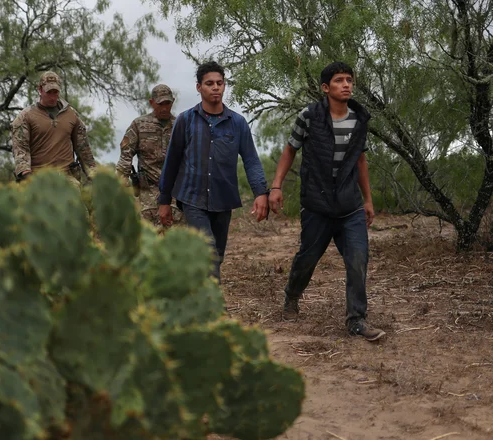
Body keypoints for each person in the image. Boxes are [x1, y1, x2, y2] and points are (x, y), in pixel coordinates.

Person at [268, 61, 385, 342]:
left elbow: (360, 160)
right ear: (325, 88)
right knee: (307, 258)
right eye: (339, 80)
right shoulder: (309, 116)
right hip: (317, 206)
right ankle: (292, 297)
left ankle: (356, 320)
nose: (346, 85)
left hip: (350, 207)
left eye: (349, 80)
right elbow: (290, 150)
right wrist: (276, 186)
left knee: (358, 259)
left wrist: (367, 200)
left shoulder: (359, 119)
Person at [158, 61, 269, 283]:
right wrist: (164, 200)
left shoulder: (237, 123)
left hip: (223, 198)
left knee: (216, 256)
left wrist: (260, 192)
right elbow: (171, 162)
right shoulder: (186, 120)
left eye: (219, 83)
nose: (215, 87)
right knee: (207, 250)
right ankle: (215, 310)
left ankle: (196, 295)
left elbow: (251, 160)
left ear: (224, 85)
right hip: (192, 197)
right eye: (209, 83)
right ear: (199, 88)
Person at [10, 71, 96, 184]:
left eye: (55, 92)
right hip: (39, 178)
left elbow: (83, 148)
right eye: (49, 92)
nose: (52, 96)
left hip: (68, 178)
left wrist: (94, 176)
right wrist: (25, 173)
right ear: (40, 90)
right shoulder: (25, 117)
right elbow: (21, 148)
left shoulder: (71, 114)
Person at [115, 84, 183, 224]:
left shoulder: (180, 125)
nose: (164, 108)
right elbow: (125, 156)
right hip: (147, 192)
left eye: (167, 103)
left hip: (175, 191)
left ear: (173, 101)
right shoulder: (139, 125)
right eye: (160, 104)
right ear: (151, 103)